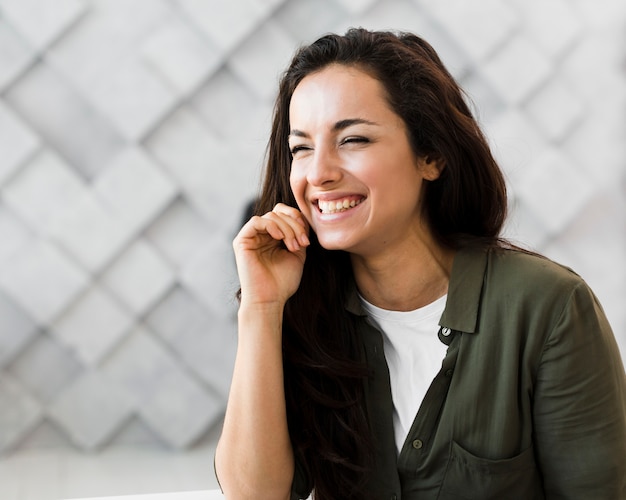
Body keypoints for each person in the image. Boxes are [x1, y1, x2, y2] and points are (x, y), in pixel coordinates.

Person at [214, 28, 626, 499]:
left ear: (430, 155)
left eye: (352, 139)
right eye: (301, 147)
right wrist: (261, 309)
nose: (319, 173)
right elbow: (254, 496)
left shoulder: (549, 308)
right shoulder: (300, 310)